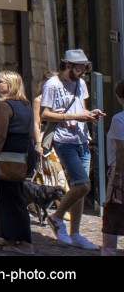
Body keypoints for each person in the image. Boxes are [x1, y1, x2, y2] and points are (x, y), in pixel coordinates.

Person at [40, 48, 104, 250]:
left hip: (81, 138)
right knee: (83, 184)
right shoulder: (52, 85)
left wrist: (90, 113)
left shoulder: (80, 83)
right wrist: (72, 117)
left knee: (80, 190)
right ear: (68, 65)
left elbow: (80, 108)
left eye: (86, 68)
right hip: (63, 140)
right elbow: (44, 114)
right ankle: (56, 218)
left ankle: (76, 233)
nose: (83, 72)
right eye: (80, 68)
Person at [0, 70, 36, 255]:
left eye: (1, 82)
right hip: (22, 152)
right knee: (5, 195)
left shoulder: (5, 106)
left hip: (9, 155)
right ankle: (7, 235)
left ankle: (25, 242)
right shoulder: (26, 104)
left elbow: (0, 136)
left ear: (11, 85)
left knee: (14, 197)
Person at [102, 79, 124, 256]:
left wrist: (116, 180)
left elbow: (121, 150)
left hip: (120, 170)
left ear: (119, 97)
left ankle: (109, 252)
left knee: (111, 214)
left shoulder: (119, 119)